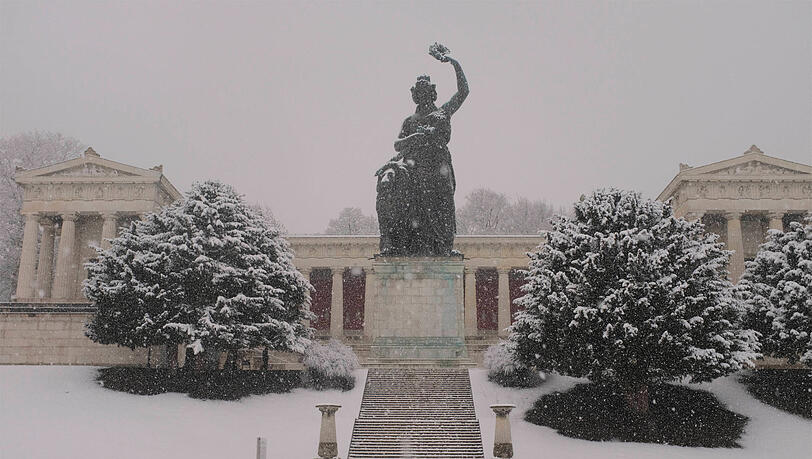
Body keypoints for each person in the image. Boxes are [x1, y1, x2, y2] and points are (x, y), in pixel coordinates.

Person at [376, 51, 469, 256]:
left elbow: (463, 91)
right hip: (415, 169)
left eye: (426, 91)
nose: (423, 95)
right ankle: (402, 242)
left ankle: (442, 245)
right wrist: (413, 138)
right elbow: (397, 144)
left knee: (443, 208)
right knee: (405, 200)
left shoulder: (442, 112)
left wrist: (453, 62)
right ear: (415, 95)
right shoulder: (409, 121)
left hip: (439, 168)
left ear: (433, 93)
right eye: (419, 92)